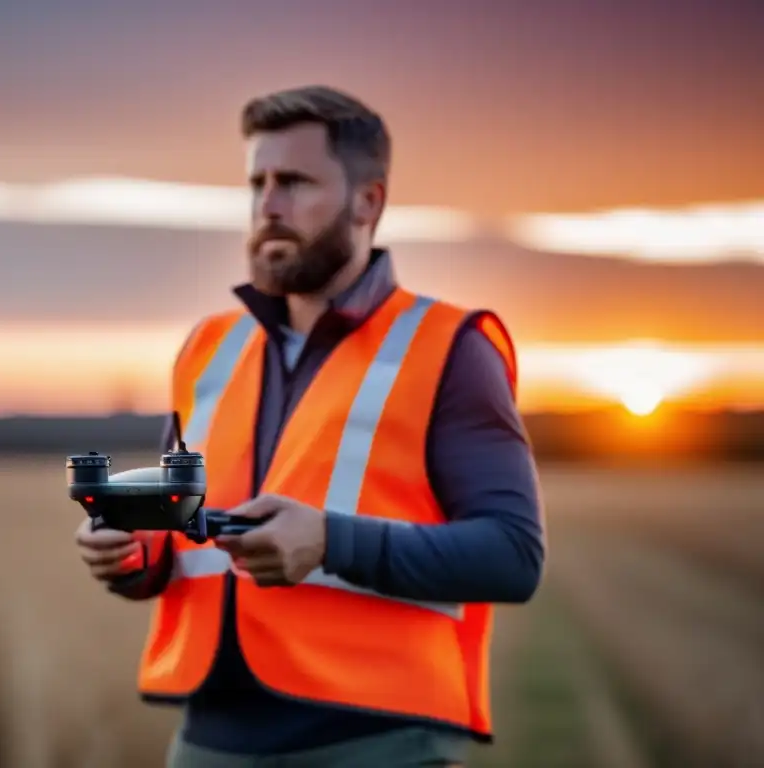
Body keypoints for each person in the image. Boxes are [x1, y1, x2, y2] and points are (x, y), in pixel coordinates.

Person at [76, 85, 546, 768]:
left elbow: (512, 556)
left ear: (368, 202)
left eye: (293, 182)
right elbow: (183, 532)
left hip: (379, 745)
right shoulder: (209, 349)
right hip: (209, 741)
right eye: (257, 183)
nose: (268, 205)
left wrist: (329, 540)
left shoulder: (448, 346)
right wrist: (130, 554)